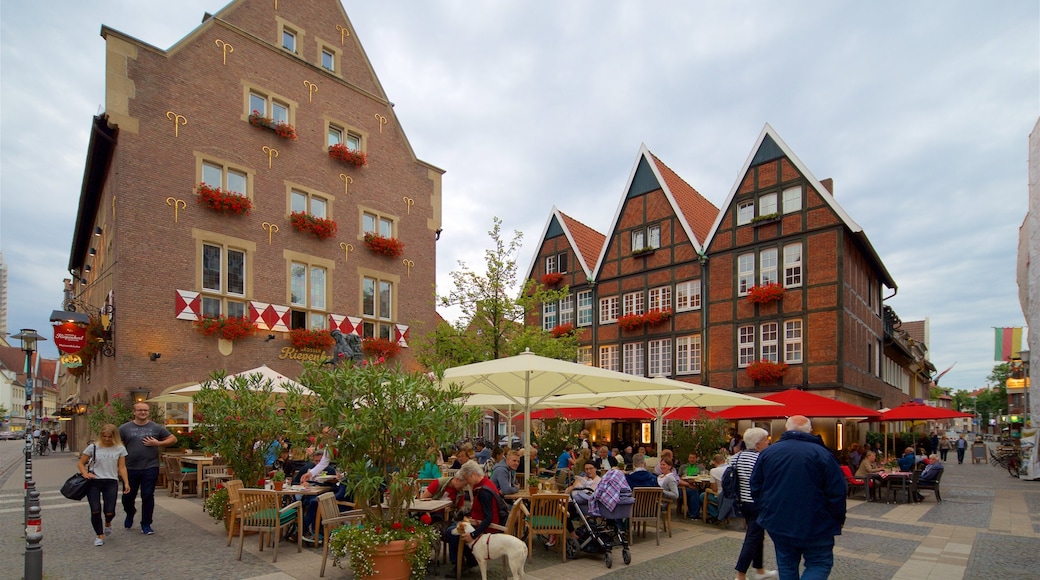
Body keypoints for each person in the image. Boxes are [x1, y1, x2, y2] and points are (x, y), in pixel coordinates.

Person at [752, 416, 846, 580]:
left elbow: (756, 487)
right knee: (819, 563)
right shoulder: (823, 454)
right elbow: (837, 491)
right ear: (810, 430)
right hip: (816, 522)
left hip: (778, 520)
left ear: (786, 430)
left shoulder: (768, 453)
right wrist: (838, 518)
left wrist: (766, 510)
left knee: (786, 564)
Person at [119, 401, 176, 535]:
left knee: (148, 495)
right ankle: (130, 512)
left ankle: (146, 524)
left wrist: (159, 443)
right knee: (128, 497)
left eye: (145, 410)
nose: (143, 412)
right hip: (130, 467)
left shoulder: (156, 428)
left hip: (150, 466)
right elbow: (116, 443)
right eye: (140, 410)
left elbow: (173, 439)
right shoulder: (124, 428)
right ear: (134, 412)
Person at [729, 427, 777, 580]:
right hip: (757, 502)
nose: (767, 443)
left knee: (757, 534)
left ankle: (760, 570)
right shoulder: (761, 459)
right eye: (765, 441)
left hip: (742, 501)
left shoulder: (736, 457)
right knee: (752, 536)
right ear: (757, 444)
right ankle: (740, 574)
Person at [446, 460, 505, 576]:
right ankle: (468, 559)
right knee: (454, 527)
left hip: (487, 527)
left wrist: (473, 535)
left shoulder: (483, 491)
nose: (467, 482)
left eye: (467, 479)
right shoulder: (486, 483)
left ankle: (462, 562)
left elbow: (488, 518)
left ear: (473, 474)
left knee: (451, 532)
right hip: (480, 521)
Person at [79, 424, 130, 546]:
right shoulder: (94, 447)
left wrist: (126, 482)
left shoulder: (120, 448)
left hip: (111, 481)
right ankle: (99, 535)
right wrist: (85, 473)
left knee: (110, 511)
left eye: (109, 437)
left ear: (114, 437)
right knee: (95, 510)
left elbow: (122, 467)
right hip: (94, 482)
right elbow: (81, 463)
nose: (107, 439)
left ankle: (108, 522)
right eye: (104, 436)